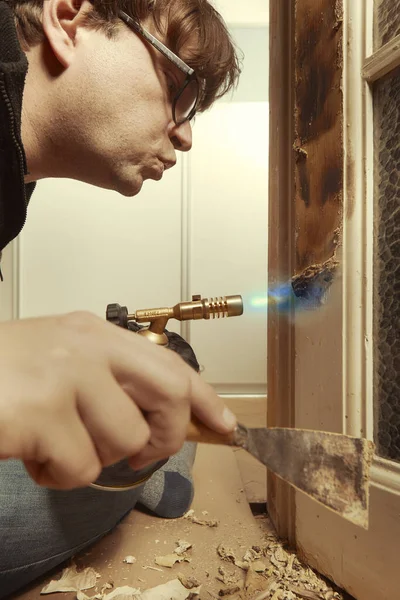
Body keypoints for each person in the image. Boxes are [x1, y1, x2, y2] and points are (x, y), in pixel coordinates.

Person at [0, 0, 241, 596]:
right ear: (69, 19)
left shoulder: (11, 185)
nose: (184, 134)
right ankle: (164, 459)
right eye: (179, 90)